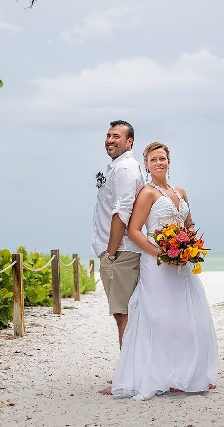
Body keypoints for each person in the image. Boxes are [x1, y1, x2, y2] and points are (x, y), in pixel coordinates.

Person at [107, 141, 218, 400]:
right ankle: (161, 374)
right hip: (157, 264)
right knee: (161, 317)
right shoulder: (147, 193)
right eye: (154, 159)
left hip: (182, 264)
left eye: (163, 158)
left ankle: (189, 373)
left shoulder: (180, 191)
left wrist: (189, 246)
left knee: (190, 318)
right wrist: (163, 253)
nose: (159, 163)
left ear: (169, 161)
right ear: (146, 164)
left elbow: (189, 223)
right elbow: (134, 231)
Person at [91, 120, 145, 352]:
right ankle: (130, 370)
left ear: (129, 141)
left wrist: (111, 254)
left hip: (120, 251)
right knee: (122, 314)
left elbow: (121, 214)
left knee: (124, 314)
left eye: (116, 136)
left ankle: (127, 374)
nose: (110, 140)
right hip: (116, 250)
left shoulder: (124, 169)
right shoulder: (117, 167)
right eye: (108, 135)